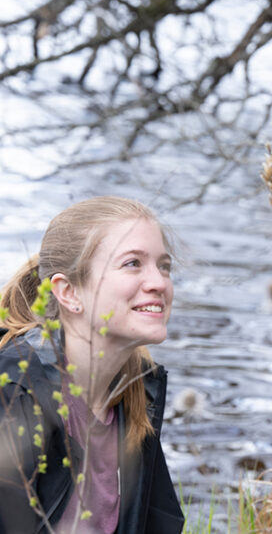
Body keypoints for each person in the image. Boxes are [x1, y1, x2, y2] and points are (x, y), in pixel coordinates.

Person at [0, 197, 185, 534]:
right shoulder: (14, 395)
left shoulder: (137, 396)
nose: (159, 283)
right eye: (132, 263)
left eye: (164, 266)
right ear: (69, 293)